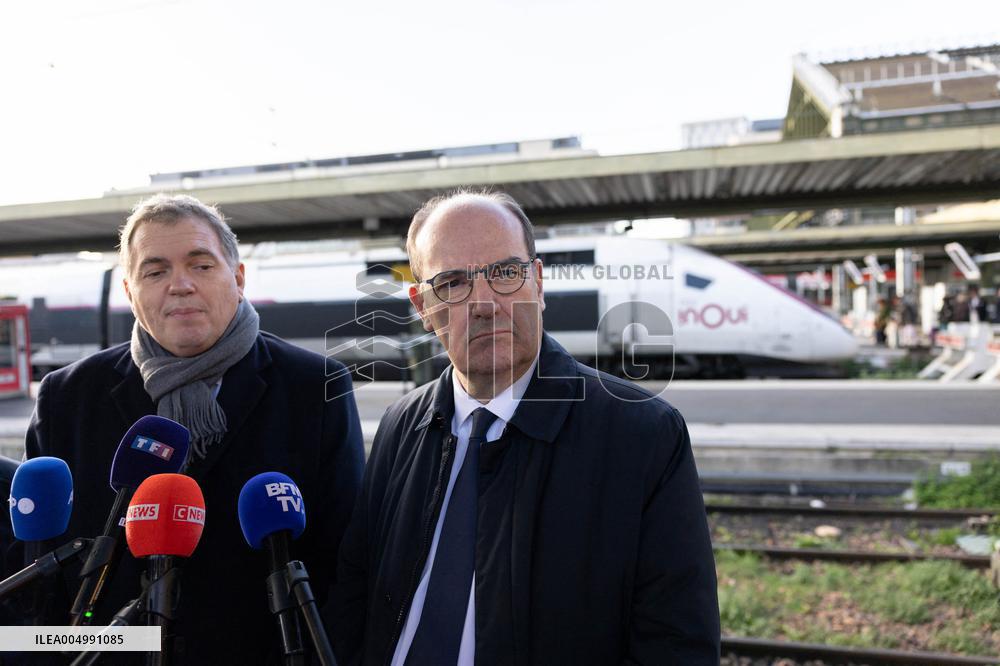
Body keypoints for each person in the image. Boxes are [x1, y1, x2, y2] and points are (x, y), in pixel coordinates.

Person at [331, 191, 720, 665]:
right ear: (422, 308)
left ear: (537, 283)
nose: (484, 303)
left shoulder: (643, 436)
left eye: (505, 273)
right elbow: (353, 596)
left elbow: (676, 644)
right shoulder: (399, 427)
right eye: (452, 283)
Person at [21, 194, 365, 664]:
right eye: (155, 271)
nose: (180, 285)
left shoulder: (316, 387)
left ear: (238, 278)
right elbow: (41, 580)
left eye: (201, 266)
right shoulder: (67, 397)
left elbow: (346, 560)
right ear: (130, 291)